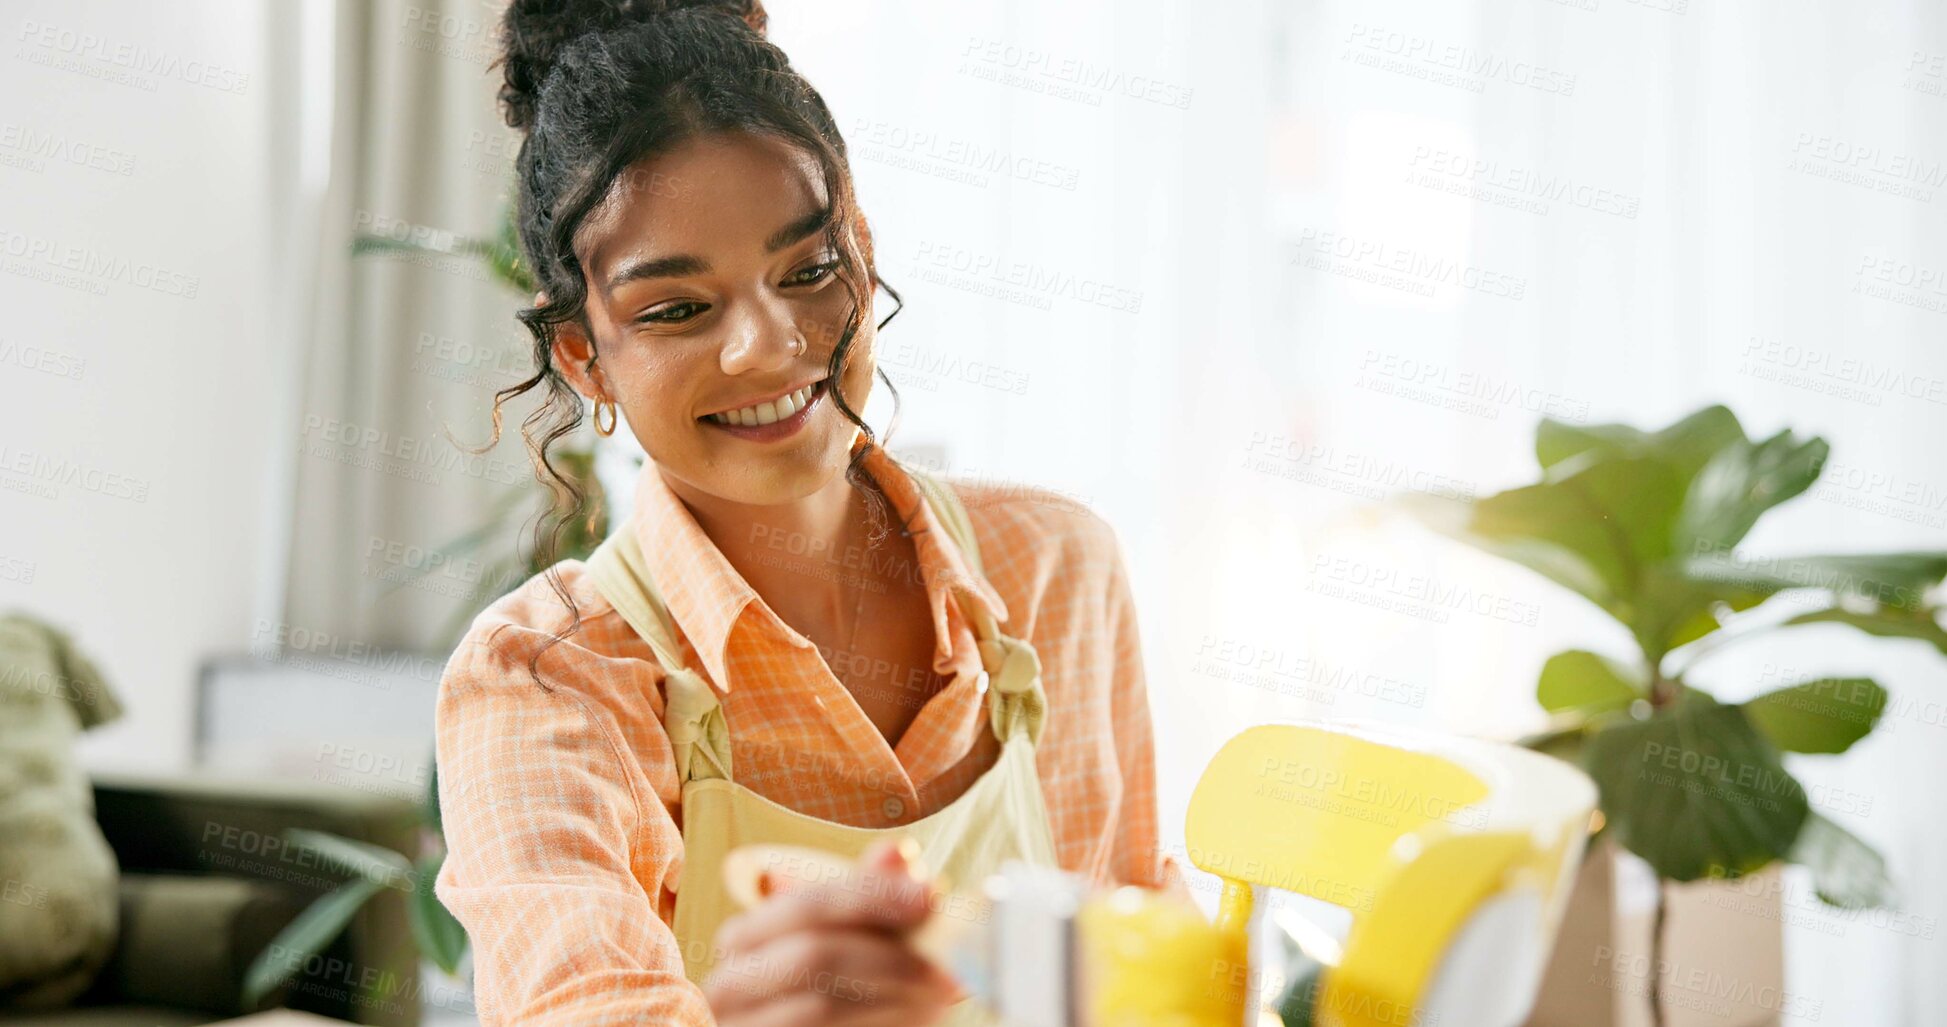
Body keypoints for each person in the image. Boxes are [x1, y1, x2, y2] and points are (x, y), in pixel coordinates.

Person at [433, 2, 1183, 1023]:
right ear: (582, 353)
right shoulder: (548, 679)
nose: (769, 344)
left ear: (862, 253)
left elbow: (1139, 968)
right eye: (677, 309)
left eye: (809, 270)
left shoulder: (1056, 570)